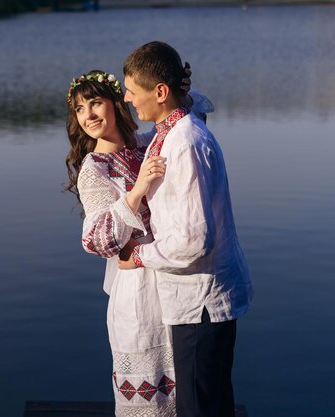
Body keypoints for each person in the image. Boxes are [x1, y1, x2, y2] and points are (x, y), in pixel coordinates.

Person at [65, 70, 213, 417]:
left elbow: (193, 115)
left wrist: (174, 88)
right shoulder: (94, 168)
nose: (88, 115)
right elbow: (97, 239)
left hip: (169, 274)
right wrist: (137, 190)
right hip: (135, 289)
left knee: (185, 388)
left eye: (95, 103)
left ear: (117, 103)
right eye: (79, 109)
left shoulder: (147, 144)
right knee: (150, 396)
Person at [119, 41, 253, 417]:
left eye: (132, 89)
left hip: (201, 302)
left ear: (160, 92)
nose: (127, 98)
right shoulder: (171, 127)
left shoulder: (186, 144)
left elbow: (196, 238)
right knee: (209, 402)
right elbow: (198, 102)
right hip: (197, 300)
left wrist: (140, 255)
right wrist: (180, 86)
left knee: (200, 408)